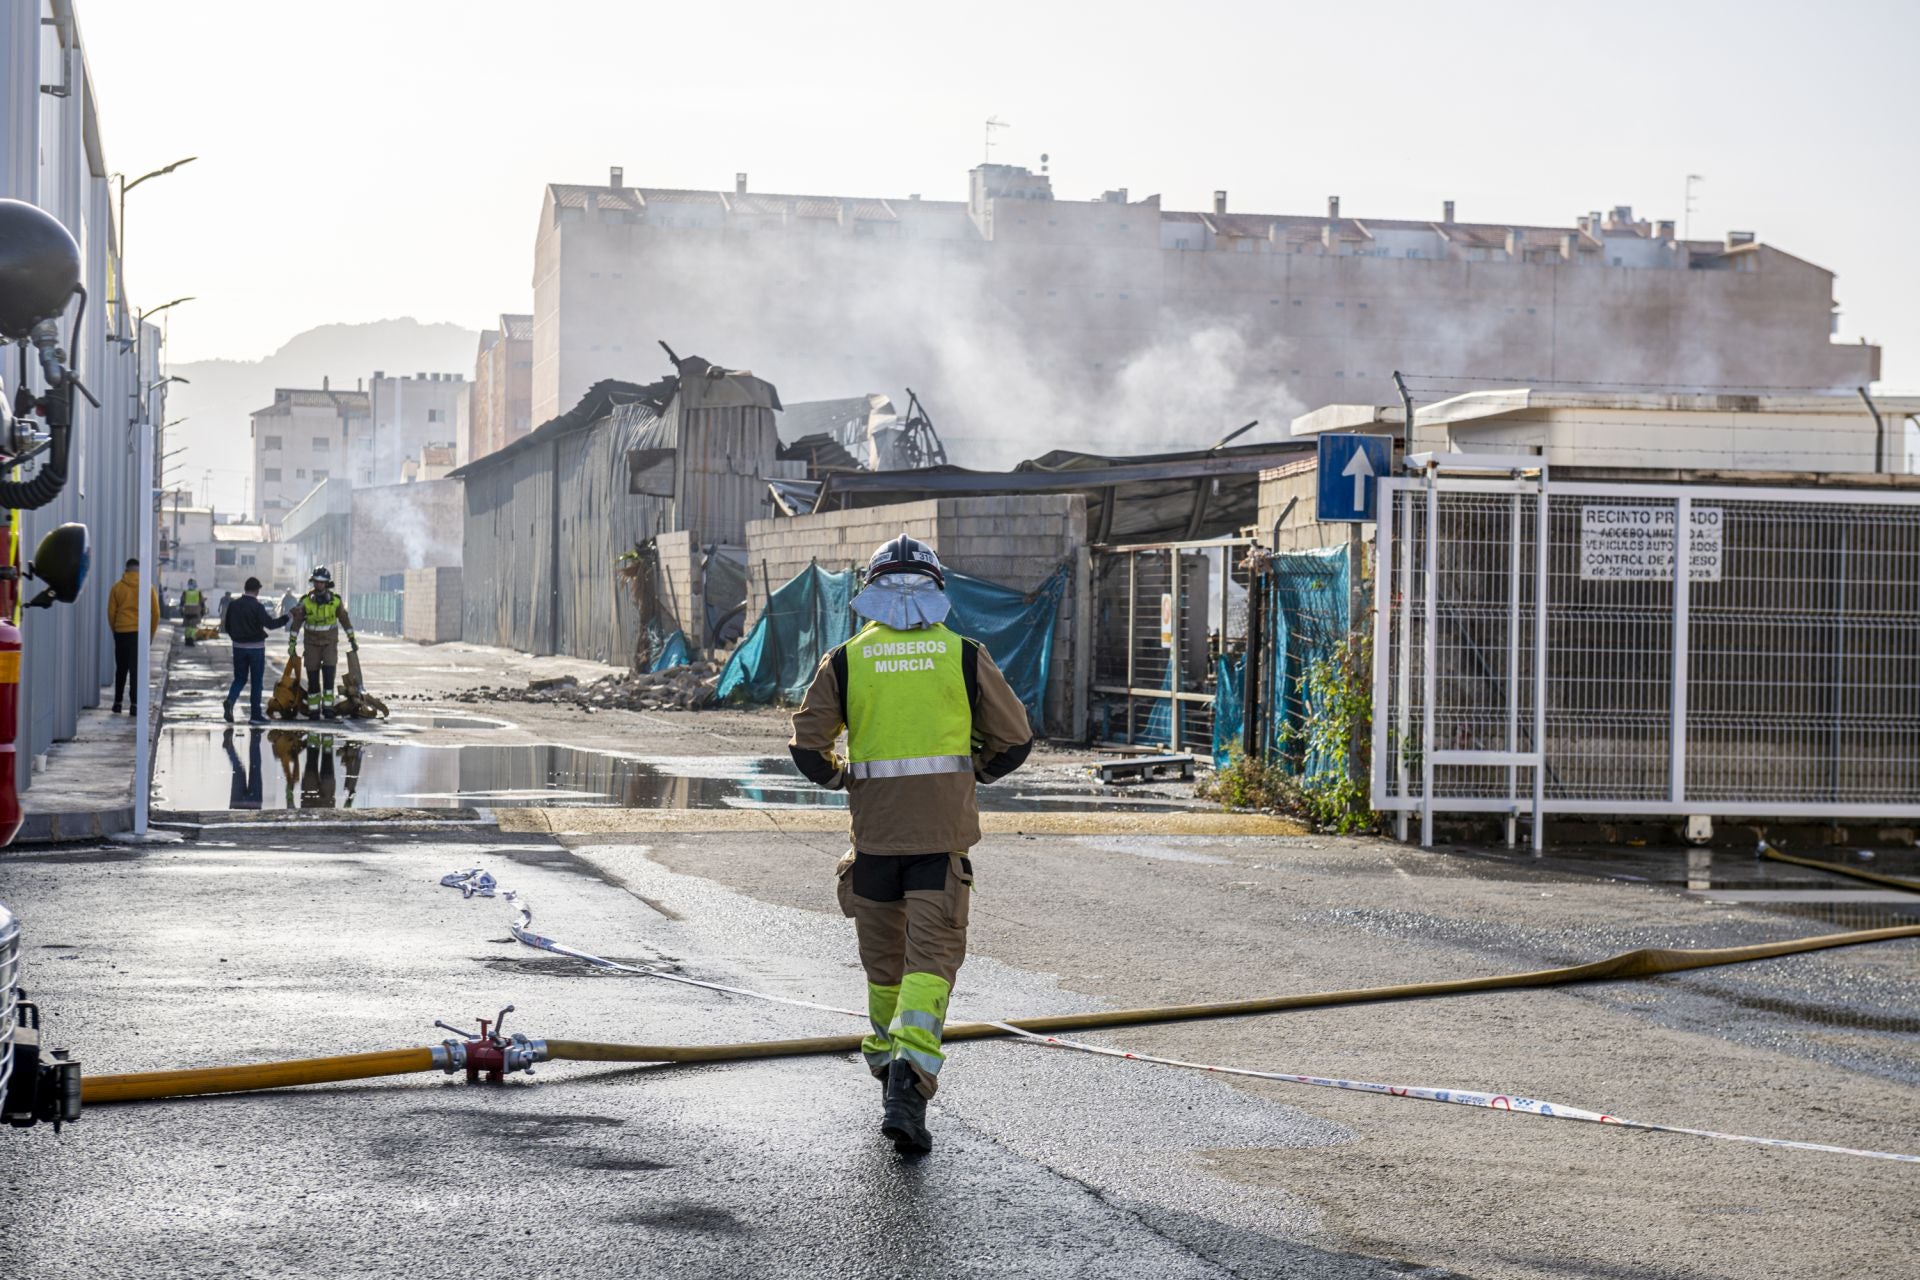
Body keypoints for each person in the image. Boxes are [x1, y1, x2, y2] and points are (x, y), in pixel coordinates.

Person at [789, 535, 1034, 1155]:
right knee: (930, 965)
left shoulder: (846, 659)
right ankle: (908, 1084)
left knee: (884, 972)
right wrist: (971, 771)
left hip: (873, 846)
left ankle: (886, 1068)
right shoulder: (962, 656)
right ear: (937, 588)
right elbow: (1015, 740)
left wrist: (845, 775)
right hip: (939, 846)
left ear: (869, 590)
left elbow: (805, 746)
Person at [287, 566, 357, 719]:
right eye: (316, 582)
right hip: (311, 644)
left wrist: (352, 639)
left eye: (322, 582)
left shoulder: (336, 601)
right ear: (313, 582)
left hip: (329, 644)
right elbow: (296, 624)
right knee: (312, 678)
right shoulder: (305, 602)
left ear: (327, 584)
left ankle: (328, 708)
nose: (318, 585)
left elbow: (345, 620)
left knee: (328, 677)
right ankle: (313, 710)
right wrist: (292, 644)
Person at [221, 576, 289, 725]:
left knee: (240, 678)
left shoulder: (234, 605)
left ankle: (230, 700)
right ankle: (255, 716)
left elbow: (227, 626)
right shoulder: (257, 607)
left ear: (245, 589)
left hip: (238, 648)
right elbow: (270, 624)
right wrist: (286, 618)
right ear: (257, 590)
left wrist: (236, 639)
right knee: (256, 681)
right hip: (256, 649)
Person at [106, 557, 159, 715]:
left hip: (122, 631)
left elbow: (111, 612)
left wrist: (115, 629)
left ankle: (117, 703)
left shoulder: (117, 588)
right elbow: (155, 613)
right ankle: (135, 705)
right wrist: (150, 634)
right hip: (139, 634)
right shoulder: (147, 588)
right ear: (139, 571)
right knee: (136, 669)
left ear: (126, 570)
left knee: (121, 668)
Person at [180, 577, 205, 646]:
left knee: (187, 626)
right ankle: (191, 638)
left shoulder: (185, 593)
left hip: (187, 612)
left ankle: (187, 639)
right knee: (193, 626)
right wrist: (203, 612)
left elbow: (181, 603)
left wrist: (181, 612)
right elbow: (202, 604)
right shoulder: (198, 593)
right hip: (195, 612)